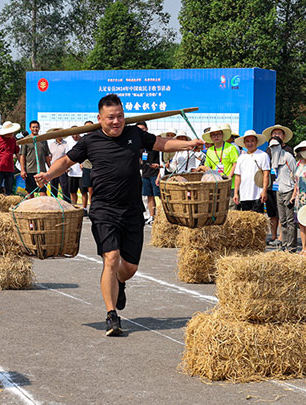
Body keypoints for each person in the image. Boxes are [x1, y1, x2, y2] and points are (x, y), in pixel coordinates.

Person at [34, 94, 205, 336]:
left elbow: (161, 143)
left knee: (130, 268)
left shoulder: (134, 134)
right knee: (111, 259)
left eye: (120, 116)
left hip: (133, 210)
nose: (117, 122)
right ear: (99, 118)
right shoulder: (90, 140)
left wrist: (188, 144)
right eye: (111, 117)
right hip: (104, 209)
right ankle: (111, 315)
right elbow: (65, 160)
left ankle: (120, 282)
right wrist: (48, 175)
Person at [262, 125, 294, 245]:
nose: (276, 135)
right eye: (274, 133)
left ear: (283, 136)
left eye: (279, 133)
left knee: (283, 213)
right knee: (272, 212)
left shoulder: (288, 150)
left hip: (284, 185)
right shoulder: (268, 150)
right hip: (271, 184)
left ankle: (282, 237)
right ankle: (273, 235)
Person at [198, 124, 239, 206]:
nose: (216, 137)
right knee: (216, 207)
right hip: (215, 185)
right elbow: (208, 167)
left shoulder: (231, 148)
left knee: (230, 207)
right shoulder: (210, 150)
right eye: (213, 135)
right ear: (210, 137)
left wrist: (229, 177)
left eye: (218, 134)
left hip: (230, 185)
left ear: (222, 135)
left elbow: (236, 164)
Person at [269, 137, 297, 252]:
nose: (274, 148)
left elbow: (296, 176)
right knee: (282, 219)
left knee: (290, 221)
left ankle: (292, 246)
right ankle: (284, 244)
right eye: (272, 147)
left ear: (282, 145)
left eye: (276, 146)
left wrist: (294, 194)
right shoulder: (274, 160)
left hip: (289, 190)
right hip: (279, 191)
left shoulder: (288, 157)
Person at [233, 130, 270, 213]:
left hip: (258, 193)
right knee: (246, 220)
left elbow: (266, 174)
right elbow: (238, 176)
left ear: (256, 141)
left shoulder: (263, 155)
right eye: (247, 141)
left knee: (258, 220)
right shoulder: (241, 157)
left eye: (252, 141)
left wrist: (264, 191)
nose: (250, 143)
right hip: (244, 194)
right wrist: (236, 193)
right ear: (244, 143)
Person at [19, 120, 51, 198]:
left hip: (41, 171)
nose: (35, 129)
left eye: (36, 127)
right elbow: (22, 156)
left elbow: (47, 156)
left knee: (43, 192)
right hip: (30, 170)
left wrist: (50, 168)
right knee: (30, 193)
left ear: (39, 128)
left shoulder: (43, 140)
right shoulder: (26, 140)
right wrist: (22, 170)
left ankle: (43, 210)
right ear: (30, 128)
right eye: (33, 127)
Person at [0, 121, 21, 196]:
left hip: (10, 168)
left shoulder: (13, 140)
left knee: (9, 189)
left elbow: (17, 153)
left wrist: (22, 167)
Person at [138, 121, 161, 224]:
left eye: (142, 129)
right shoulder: (139, 145)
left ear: (146, 129)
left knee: (158, 197)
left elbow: (161, 161)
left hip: (155, 174)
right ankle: (151, 216)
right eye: (138, 130)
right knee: (149, 196)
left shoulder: (153, 142)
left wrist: (159, 170)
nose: (141, 132)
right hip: (145, 174)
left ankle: (161, 217)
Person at [48, 133, 72, 203]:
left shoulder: (66, 144)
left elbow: (68, 156)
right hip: (53, 169)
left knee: (65, 188)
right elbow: (49, 156)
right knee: (53, 188)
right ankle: (53, 205)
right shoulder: (52, 144)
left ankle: (67, 204)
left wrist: (68, 167)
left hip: (62, 169)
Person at [66, 129, 83, 204]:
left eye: (77, 134)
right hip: (72, 172)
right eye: (73, 134)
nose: (75, 136)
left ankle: (85, 209)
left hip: (82, 173)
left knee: (84, 192)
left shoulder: (83, 141)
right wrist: (67, 167)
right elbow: (66, 157)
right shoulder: (68, 143)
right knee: (72, 191)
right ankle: (74, 206)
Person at [81, 120, 94, 214]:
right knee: (86, 189)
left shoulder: (97, 137)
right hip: (86, 167)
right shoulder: (83, 139)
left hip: (95, 168)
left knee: (92, 190)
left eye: (90, 127)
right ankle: (85, 209)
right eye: (87, 127)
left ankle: (93, 208)